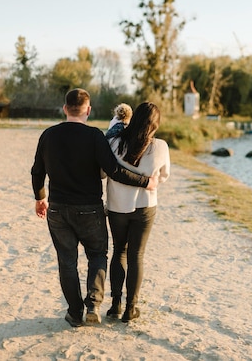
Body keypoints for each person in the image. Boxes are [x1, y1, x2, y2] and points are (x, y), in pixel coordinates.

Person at [31, 88, 158, 328]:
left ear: (65, 108)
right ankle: (93, 305)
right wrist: (145, 181)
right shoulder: (95, 136)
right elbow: (114, 171)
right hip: (89, 209)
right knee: (97, 255)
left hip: (58, 209)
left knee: (66, 261)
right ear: (88, 110)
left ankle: (75, 312)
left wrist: (40, 197)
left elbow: (37, 170)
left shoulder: (48, 135)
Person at [105, 101, 170, 322]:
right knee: (136, 256)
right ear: (154, 124)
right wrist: (150, 181)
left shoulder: (114, 142)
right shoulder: (160, 146)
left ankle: (115, 305)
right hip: (145, 206)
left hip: (117, 206)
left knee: (119, 252)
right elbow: (164, 175)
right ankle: (130, 308)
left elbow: (104, 172)